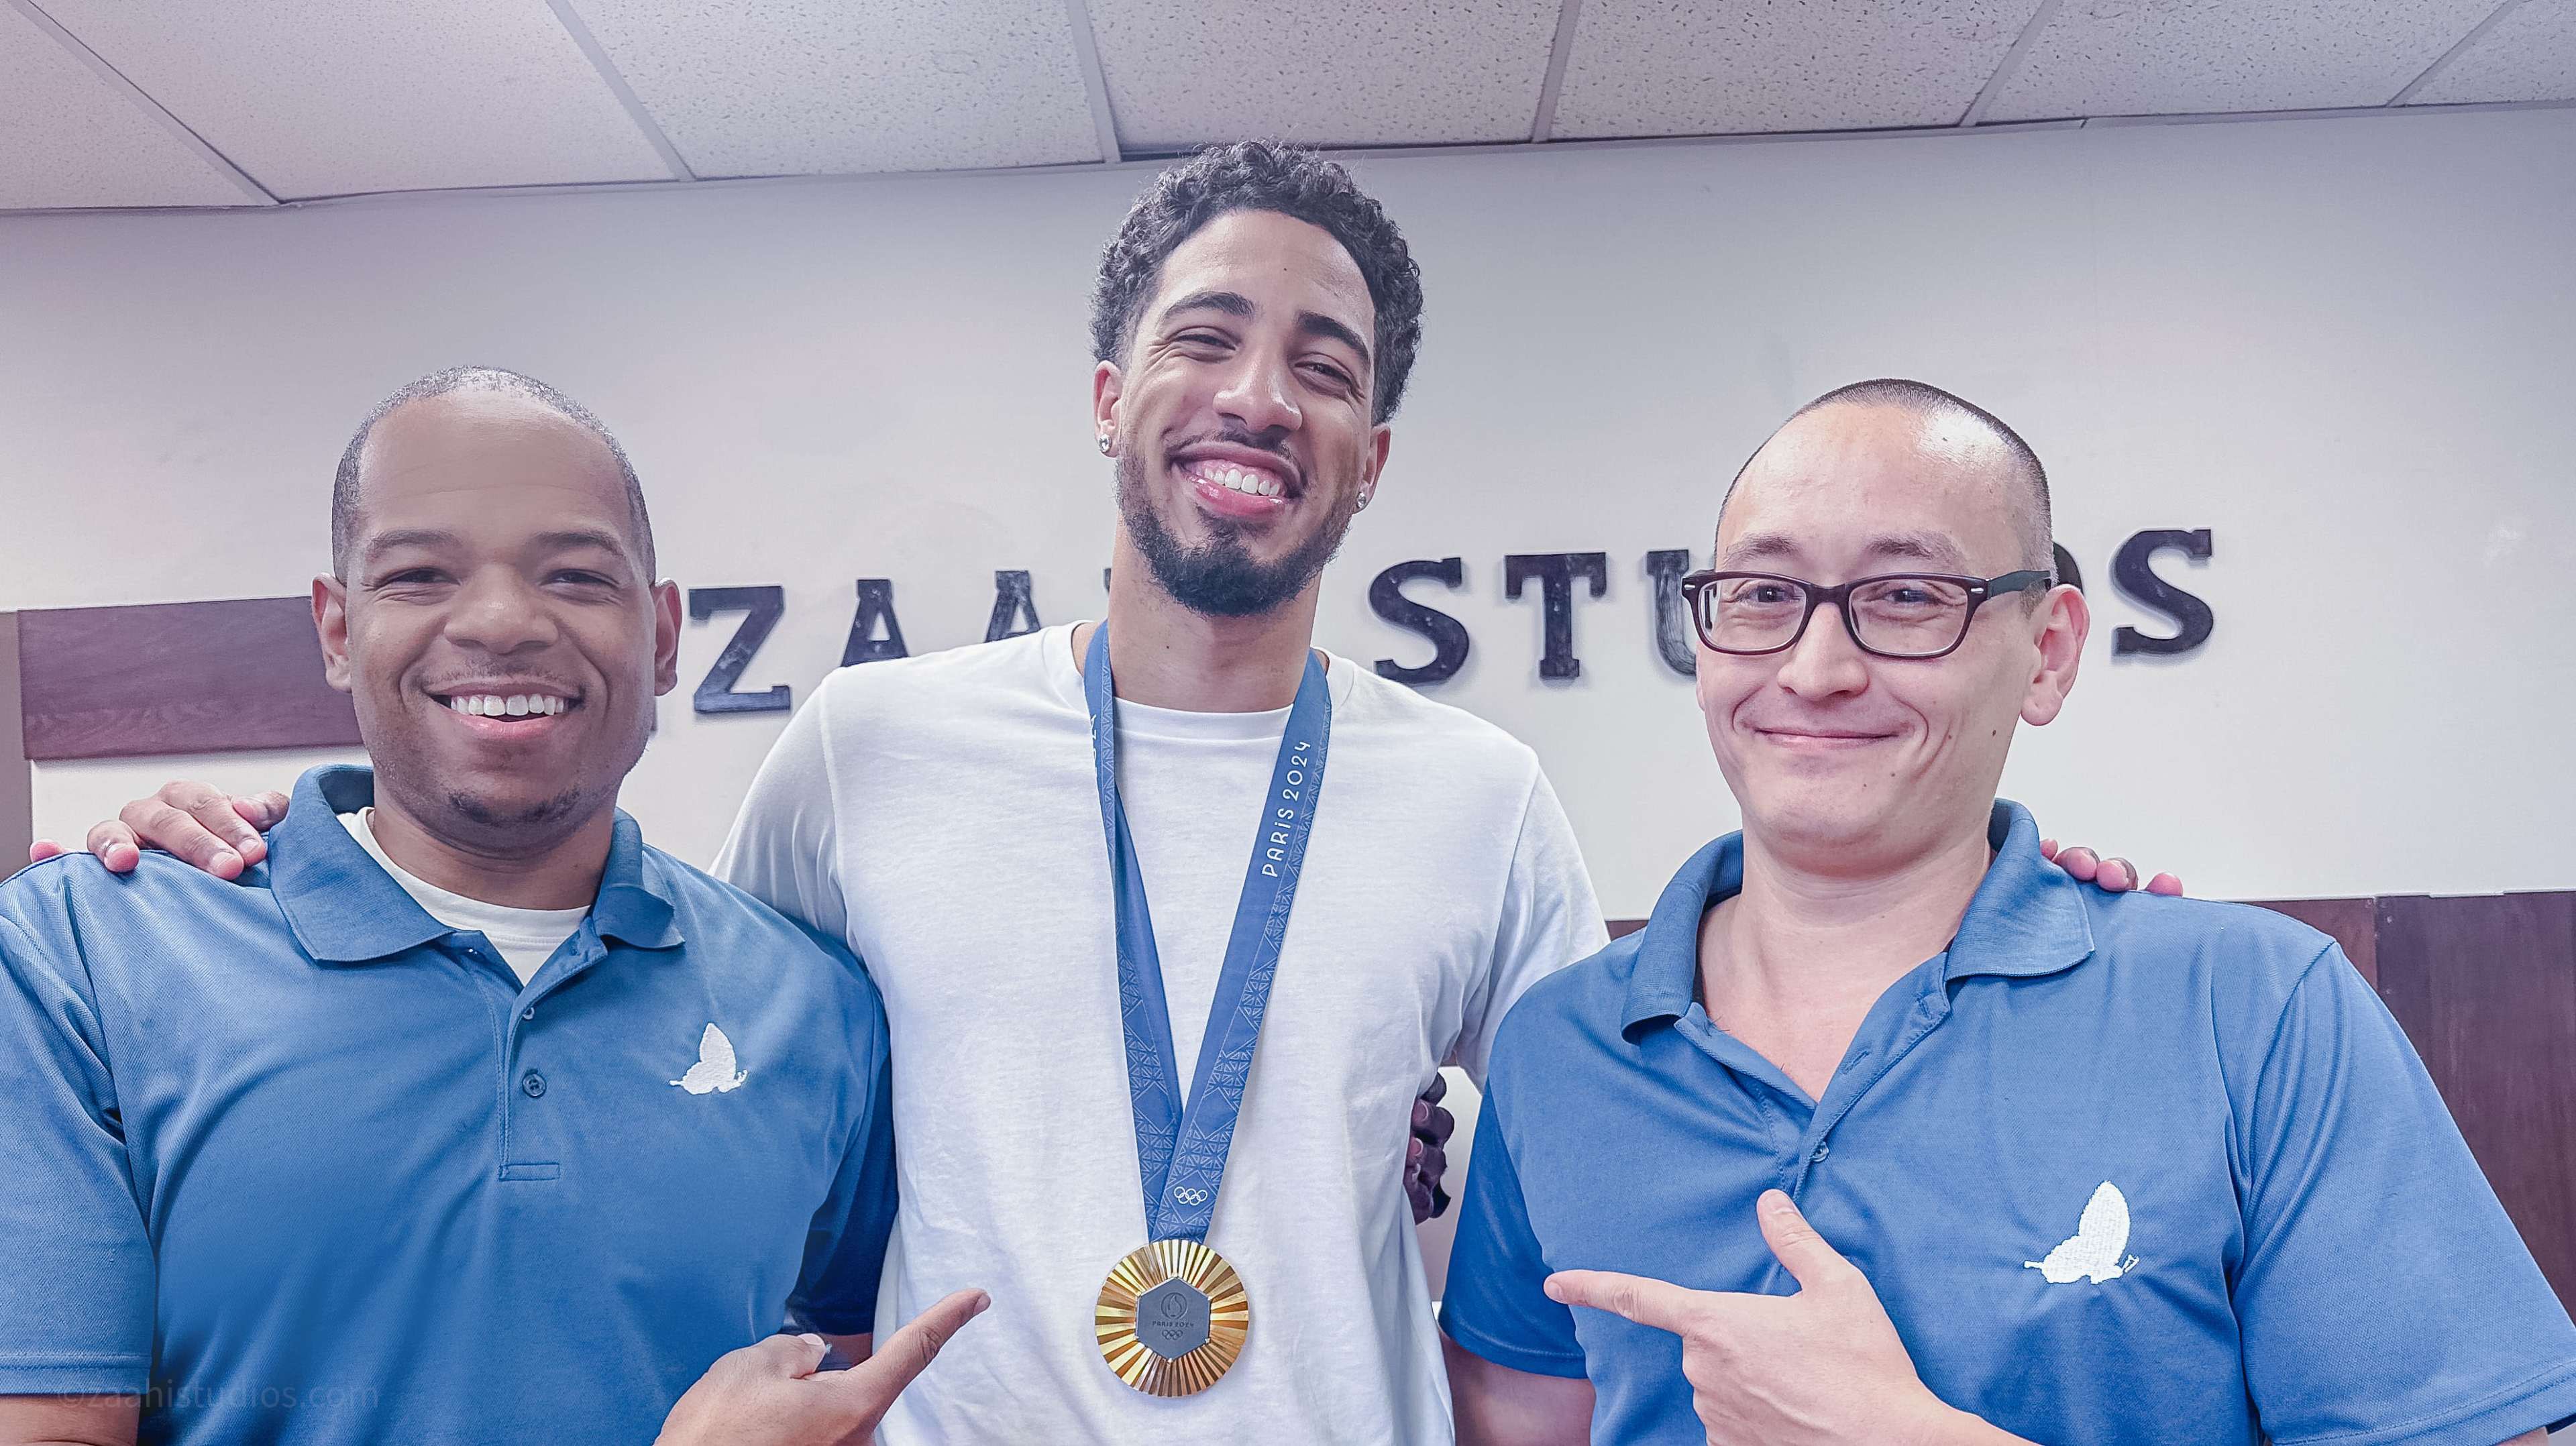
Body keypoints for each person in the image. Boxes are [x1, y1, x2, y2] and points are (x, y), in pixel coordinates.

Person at [55, 157, 2161, 1442]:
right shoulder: (864, 750)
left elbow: (1617, 1113)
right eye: (1206, 337)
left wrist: (1988, 883)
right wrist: (269, 840)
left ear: (1371, 457)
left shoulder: (1482, 794)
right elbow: (658, 976)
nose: (1260, 393)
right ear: (1107, 397)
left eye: (1326, 365)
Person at [1437, 378, 2576, 1446]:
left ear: (2048, 653)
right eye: (1765, 596)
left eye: (1907, 597)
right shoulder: (1560, 1047)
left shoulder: (2254, 1010)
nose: (1817, 669)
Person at [0, 368, 980, 1446]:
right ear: (338, 630)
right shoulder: (83, 956)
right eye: (420, 574)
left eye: (576, 576)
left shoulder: (817, 1006)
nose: (505, 622)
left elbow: (835, 1377)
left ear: (661, 637)